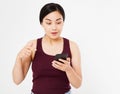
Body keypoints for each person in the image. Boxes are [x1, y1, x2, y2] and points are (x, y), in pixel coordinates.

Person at [12, 3, 82, 94]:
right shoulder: (33, 45)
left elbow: (78, 84)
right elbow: (17, 80)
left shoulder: (72, 46)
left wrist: (68, 69)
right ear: (41, 23)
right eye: (48, 23)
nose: (54, 27)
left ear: (63, 22)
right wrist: (18, 58)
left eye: (58, 22)